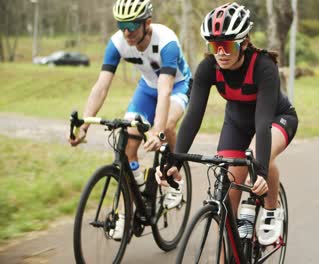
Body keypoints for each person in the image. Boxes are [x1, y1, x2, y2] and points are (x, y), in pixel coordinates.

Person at [158, 2, 298, 246]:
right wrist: (176, 159)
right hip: (236, 123)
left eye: (227, 45)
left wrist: (261, 171)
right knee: (227, 198)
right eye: (214, 45)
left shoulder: (264, 66)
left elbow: (263, 121)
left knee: (257, 156)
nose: (220, 52)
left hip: (276, 119)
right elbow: (193, 116)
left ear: (243, 43)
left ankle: (271, 209)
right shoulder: (207, 68)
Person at [69, 0, 192, 239]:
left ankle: (172, 171)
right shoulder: (117, 43)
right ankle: (137, 198)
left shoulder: (166, 42)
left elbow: (165, 91)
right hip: (147, 89)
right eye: (121, 25)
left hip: (177, 86)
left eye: (132, 25)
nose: (126, 31)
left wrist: (157, 131)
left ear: (147, 23)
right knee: (127, 144)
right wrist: (84, 124)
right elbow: (101, 85)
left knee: (166, 126)